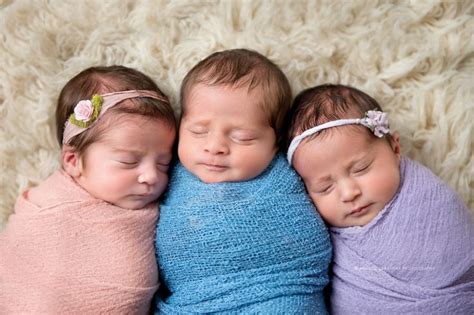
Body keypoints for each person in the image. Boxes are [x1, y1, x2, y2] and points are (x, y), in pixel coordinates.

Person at [155, 49, 332, 313]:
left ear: (277, 142)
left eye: (243, 137)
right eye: (198, 131)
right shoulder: (162, 171)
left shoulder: (288, 175)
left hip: (282, 297)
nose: (214, 147)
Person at [0, 65, 177, 314]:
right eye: (128, 161)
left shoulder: (161, 209)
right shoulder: (45, 209)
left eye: (163, 163)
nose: (151, 176)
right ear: (73, 161)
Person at [286, 83, 474, 314]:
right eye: (325, 187)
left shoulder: (430, 200)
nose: (349, 193)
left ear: (395, 148)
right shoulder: (313, 233)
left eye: (361, 169)